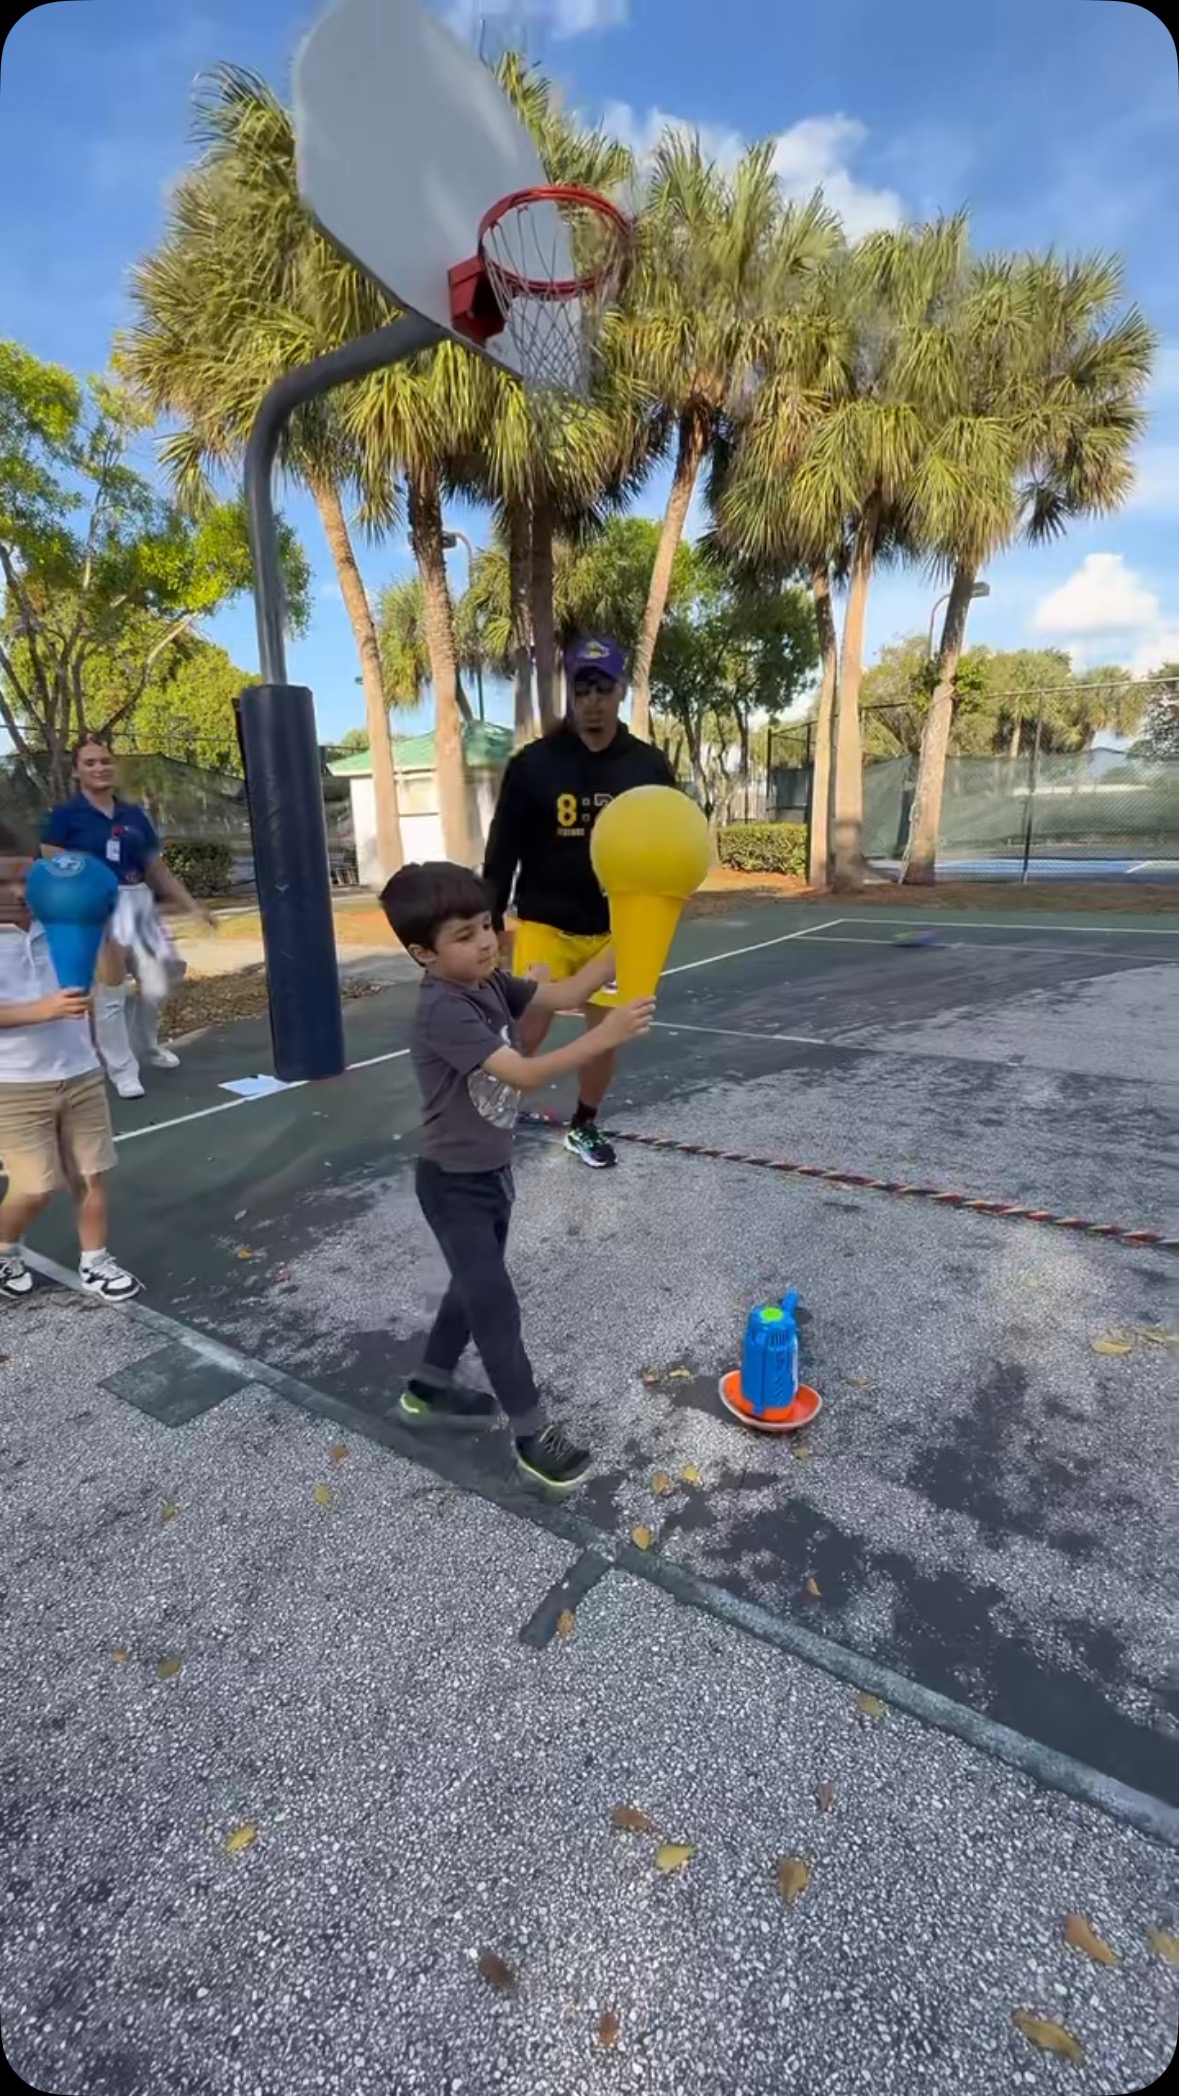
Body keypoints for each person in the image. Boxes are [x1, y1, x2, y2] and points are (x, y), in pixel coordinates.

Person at [380, 860, 654, 1492]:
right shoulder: (443, 1009)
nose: (483, 941)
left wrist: (639, 931)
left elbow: (567, 990)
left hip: (490, 1175)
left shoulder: (487, 982)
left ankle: (427, 1391)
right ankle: (532, 1435)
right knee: (495, 1307)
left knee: (471, 1291)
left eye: (486, 925)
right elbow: (524, 1075)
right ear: (423, 954)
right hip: (453, 1185)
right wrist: (606, 1033)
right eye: (463, 935)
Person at [483, 634, 676, 1169]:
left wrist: (661, 908)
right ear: (571, 691)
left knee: (604, 1035)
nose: (593, 698)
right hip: (545, 921)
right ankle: (492, 1106)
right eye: (582, 686)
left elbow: (673, 842)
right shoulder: (535, 764)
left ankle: (584, 1125)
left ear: (620, 691)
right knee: (527, 1025)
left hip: (615, 933)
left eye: (603, 686)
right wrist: (489, 918)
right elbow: (503, 847)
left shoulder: (648, 768)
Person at [0, 833, 140, 1303]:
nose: (19, 893)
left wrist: (102, 923)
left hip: (80, 1072)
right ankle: (2, 1249)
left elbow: (113, 978)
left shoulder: (59, 918)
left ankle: (96, 1261)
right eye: (4, 882)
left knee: (90, 1174)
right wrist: (41, 1010)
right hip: (14, 1085)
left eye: (25, 879)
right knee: (36, 1187)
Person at [43, 735, 210, 1100]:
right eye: (89, 763)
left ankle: (146, 1045)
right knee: (111, 989)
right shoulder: (66, 816)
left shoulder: (134, 815)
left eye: (104, 761)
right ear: (77, 772)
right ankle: (122, 1069)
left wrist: (192, 906)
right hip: (98, 904)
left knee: (159, 978)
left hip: (138, 901)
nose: (99, 767)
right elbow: (51, 856)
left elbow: (156, 867)